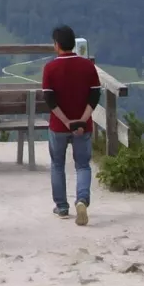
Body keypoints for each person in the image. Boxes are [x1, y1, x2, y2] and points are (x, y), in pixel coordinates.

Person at [42, 24, 100, 224]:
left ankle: (62, 206)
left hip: (58, 126)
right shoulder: (88, 66)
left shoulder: (50, 68)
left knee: (57, 165)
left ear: (57, 45)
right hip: (83, 124)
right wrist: (81, 120)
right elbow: (95, 95)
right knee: (83, 165)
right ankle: (82, 200)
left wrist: (66, 121)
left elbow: (50, 100)